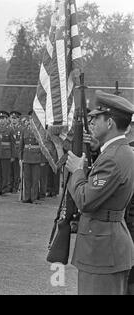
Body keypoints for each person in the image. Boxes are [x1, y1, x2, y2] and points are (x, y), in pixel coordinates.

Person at [65, 90, 134, 295]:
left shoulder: (112, 157)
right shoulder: (120, 151)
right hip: (105, 243)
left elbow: (85, 200)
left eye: (96, 117)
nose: (91, 122)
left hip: (102, 248)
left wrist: (77, 170)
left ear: (110, 123)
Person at [19, 111, 41, 203]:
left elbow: (43, 146)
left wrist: (42, 160)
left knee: (35, 179)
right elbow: (21, 145)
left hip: (36, 157)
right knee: (27, 179)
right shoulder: (24, 129)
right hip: (26, 157)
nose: (32, 119)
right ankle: (27, 197)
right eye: (31, 117)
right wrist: (20, 158)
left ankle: (34, 198)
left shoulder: (40, 130)